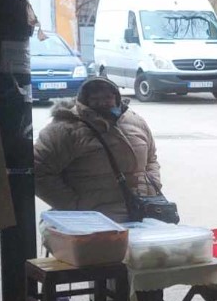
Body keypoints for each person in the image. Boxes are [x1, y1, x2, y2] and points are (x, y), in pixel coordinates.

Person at [34, 76, 162, 223]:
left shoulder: (135, 121)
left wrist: (153, 184)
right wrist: (74, 206)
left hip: (143, 213)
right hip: (95, 222)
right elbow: (38, 171)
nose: (103, 102)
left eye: (108, 97)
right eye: (95, 98)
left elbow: (151, 158)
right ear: (83, 100)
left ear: (117, 97)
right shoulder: (65, 128)